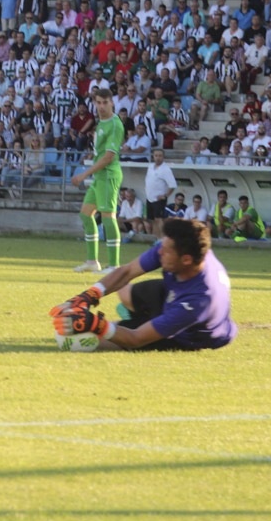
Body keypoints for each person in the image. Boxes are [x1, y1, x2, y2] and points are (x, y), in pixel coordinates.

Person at [50, 218, 237, 352]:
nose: (159, 251)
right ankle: (141, 315)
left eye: (166, 251)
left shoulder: (200, 300)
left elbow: (136, 339)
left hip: (187, 335)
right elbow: (126, 271)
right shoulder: (188, 248)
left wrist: (95, 324)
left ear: (186, 259)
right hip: (174, 294)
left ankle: (142, 320)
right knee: (123, 290)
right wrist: (88, 296)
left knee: (81, 339)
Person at [70, 87, 124, 274]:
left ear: (112, 103)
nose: (101, 106)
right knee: (86, 214)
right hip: (99, 176)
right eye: (98, 102)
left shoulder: (115, 125)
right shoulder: (101, 123)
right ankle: (92, 261)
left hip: (108, 174)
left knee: (109, 217)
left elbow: (108, 157)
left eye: (104, 102)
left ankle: (114, 266)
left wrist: (84, 174)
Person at [144, 148, 176, 236]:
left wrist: (165, 196)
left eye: (160, 156)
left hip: (159, 199)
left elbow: (173, 185)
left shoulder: (166, 169)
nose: (158, 158)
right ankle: (157, 240)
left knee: (159, 219)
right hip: (150, 198)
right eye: (156, 155)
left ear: (163, 157)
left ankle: (163, 240)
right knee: (153, 219)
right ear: (153, 156)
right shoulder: (150, 166)